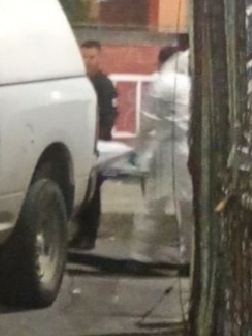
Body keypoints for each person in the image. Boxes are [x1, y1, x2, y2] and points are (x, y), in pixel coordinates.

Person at [128, 46, 193, 269]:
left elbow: (147, 122)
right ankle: (190, 256)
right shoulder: (188, 84)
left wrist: (138, 149)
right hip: (185, 148)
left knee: (153, 202)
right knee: (188, 205)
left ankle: (141, 254)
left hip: (165, 147)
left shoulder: (163, 83)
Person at [70, 39, 118, 251]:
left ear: (99, 58)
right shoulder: (77, 83)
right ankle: (78, 232)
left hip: (95, 145)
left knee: (93, 192)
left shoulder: (104, 85)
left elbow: (108, 117)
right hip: (77, 144)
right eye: (84, 57)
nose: (87, 61)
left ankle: (88, 235)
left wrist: (99, 141)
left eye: (92, 57)